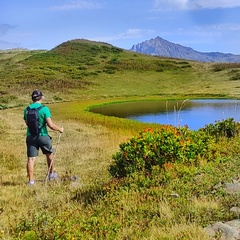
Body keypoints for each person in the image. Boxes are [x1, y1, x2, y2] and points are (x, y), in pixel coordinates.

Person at [23, 89, 64, 186]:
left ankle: (31, 181)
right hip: (43, 136)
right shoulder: (44, 109)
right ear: (40, 98)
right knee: (49, 155)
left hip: (30, 137)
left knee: (31, 159)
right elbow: (50, 125)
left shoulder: (26, 110)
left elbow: (27, 124)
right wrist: (60, 129)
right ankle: (51, 174)